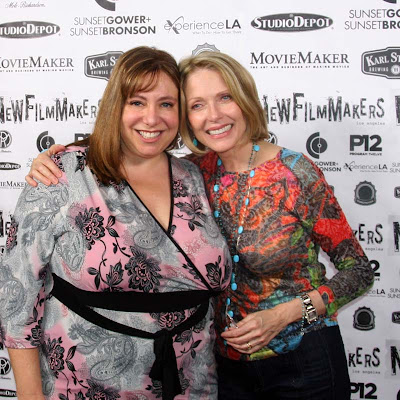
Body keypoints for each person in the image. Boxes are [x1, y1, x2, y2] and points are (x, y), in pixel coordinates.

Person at [25, 50, 374, 400]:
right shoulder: (193, 173)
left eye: (225, 98)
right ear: (187, 118)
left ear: (246, 100)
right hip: (222, 370)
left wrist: (287, 314)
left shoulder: (294, 174)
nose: (214, 115)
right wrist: (61, 157)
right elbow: (128, 149)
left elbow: (359, 271)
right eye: (197, 105)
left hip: (303, 362)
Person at [0, 46, 232, 400]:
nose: (152, 118)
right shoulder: (64, 174)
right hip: (85, 388)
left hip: (194, 384)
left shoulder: (195, 175)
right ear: (115, 106)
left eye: (166, 104)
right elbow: (16, 297)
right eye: (137, 102)